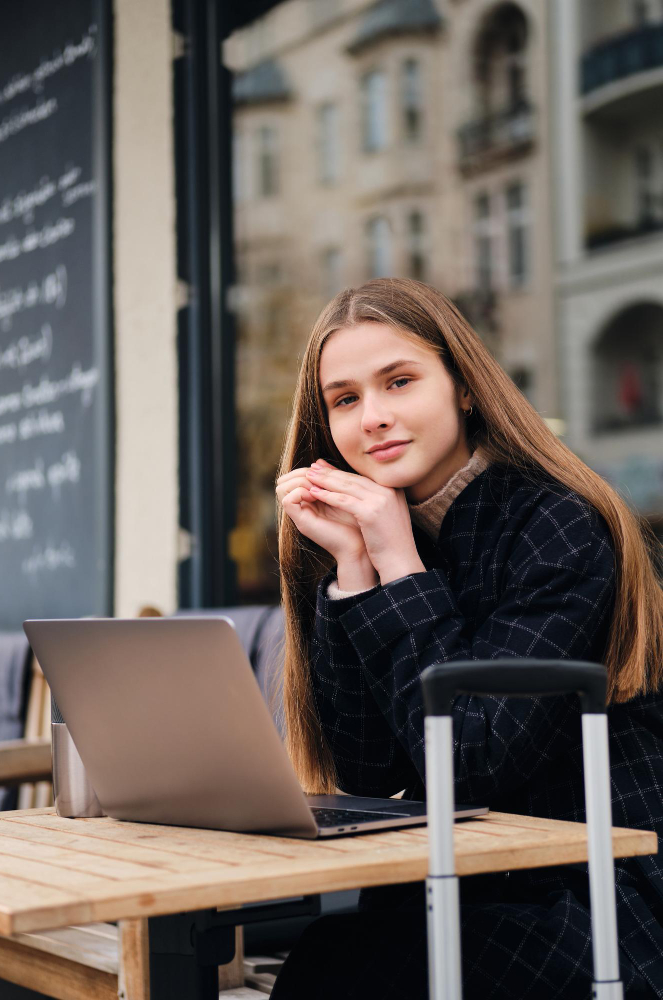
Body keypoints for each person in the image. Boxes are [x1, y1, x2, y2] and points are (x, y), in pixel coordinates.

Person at [272, 278, 663, 999]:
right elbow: (365, 771)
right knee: (331, 956)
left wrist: (397, 563)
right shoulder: (365, 539)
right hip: (461, 883)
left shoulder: (555, 524)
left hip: (601, 897)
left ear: (462, 388)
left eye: (398, 381)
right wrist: (355, 573)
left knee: (349, 970)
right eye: (345, 399)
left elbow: (469, 759)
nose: (375, 417)